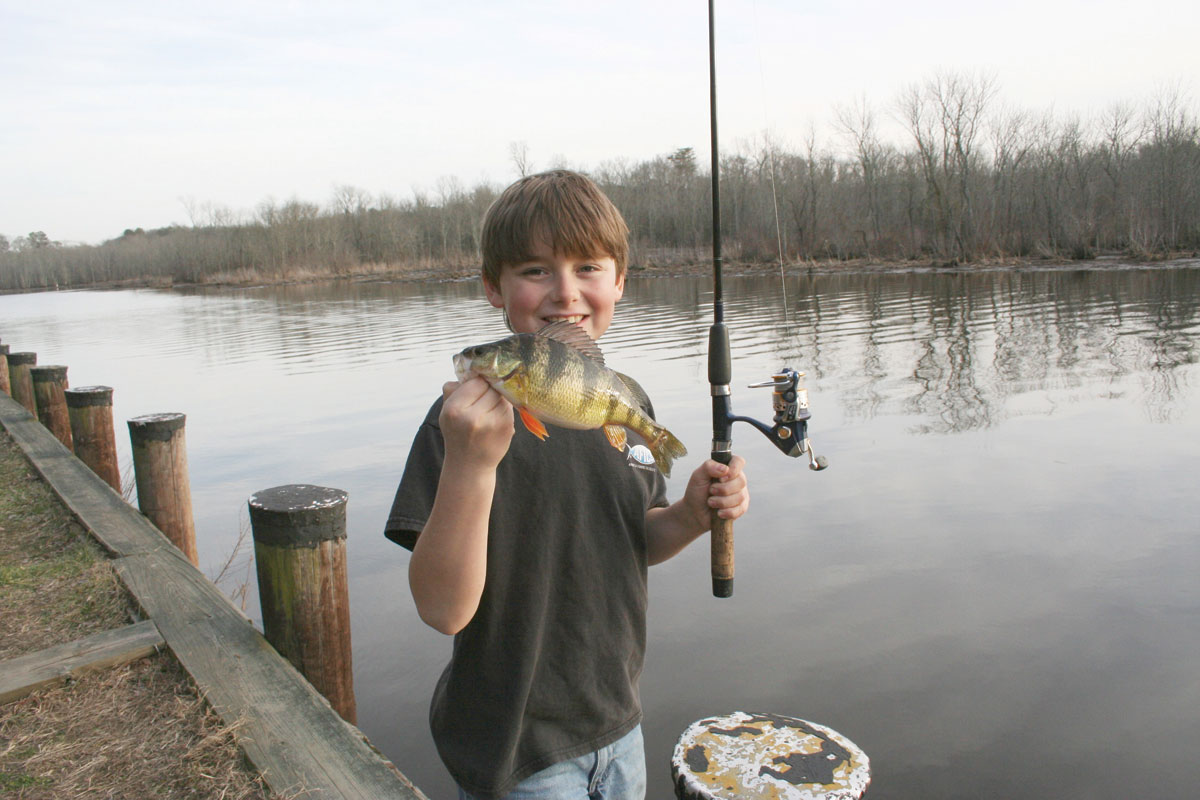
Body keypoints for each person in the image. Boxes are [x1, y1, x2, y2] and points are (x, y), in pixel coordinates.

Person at [385, 169, 749, 800]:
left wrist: (690, 516)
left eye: (588, 267)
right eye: (534, 270)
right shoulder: (459, 428)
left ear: (619, 280)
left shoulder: (622, 403)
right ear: (493, 288)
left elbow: (633, 539)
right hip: (518, 752)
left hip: (618, 725)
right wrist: (471, 465)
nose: (565, 292)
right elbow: (443, 611)